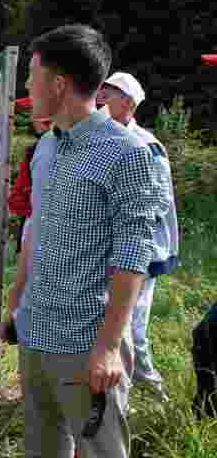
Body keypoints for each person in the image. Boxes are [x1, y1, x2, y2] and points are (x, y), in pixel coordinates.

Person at [1, 25, 163, 458]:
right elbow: (36, 233)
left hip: (88, 347)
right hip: (38, 335)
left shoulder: (128, 152)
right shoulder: (47, 148)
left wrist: (109, 347)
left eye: (32, 73)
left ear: (60, 83)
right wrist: (15, 305)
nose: (28, 83)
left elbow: (134, 257)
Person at [97, 72, 179, 404]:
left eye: (111, 93)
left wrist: (119, 220)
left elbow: (158, 201)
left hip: (144, 251)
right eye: (102, 90)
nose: (102, 97)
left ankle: (151, 395)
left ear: (129, 103)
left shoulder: (147, 145)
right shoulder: (104, 138)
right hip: (113, 249)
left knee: (133, 327)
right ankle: (121, 391)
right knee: (116, 322)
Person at [8, 102, 53, 254]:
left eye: (34, 111)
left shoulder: (37, 149)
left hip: (36, 226)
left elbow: (17, 200)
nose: (31, 117)